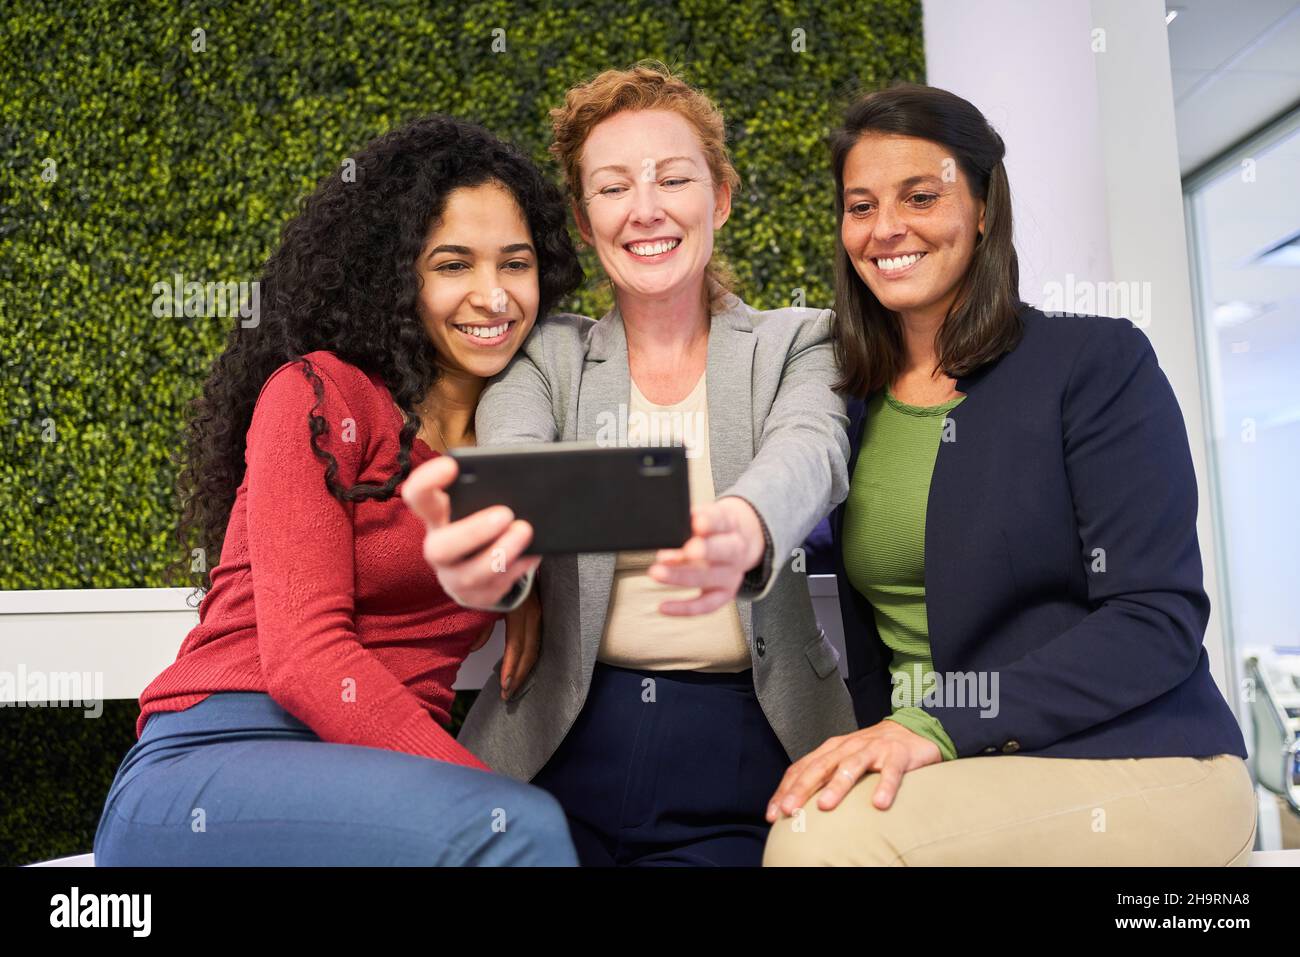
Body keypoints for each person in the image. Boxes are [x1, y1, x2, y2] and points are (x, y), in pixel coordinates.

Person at [763, 83, 1255, 866]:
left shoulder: (1095, 363)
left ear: (985, 206)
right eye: (860, 205)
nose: (886, 227)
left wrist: (934, 723)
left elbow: (1154, 618)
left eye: (921, 196)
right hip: (941, 771)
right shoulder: (846, 409)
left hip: (1135, 758)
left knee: (821, 842)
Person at [93, 115, 583, 866]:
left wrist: (529, 589)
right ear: (396, 274)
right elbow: (305, 657)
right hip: (214, 758)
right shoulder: (322, 396)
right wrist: (484, 795)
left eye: (514, 264)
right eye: (453, 265)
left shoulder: (521, 440)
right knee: (516, 830)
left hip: (375, 786)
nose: (493, 297)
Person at [403, 62, 856, 867]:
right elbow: (515, 471)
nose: (644, 210)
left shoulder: (799, 341)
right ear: (583, 221)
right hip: (562, 741)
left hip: (747, 750)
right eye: (613, 189)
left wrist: (745, 525)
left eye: (673, 179)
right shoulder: (546, 356)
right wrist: (493, 565)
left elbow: (811, 450)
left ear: (720, 195)